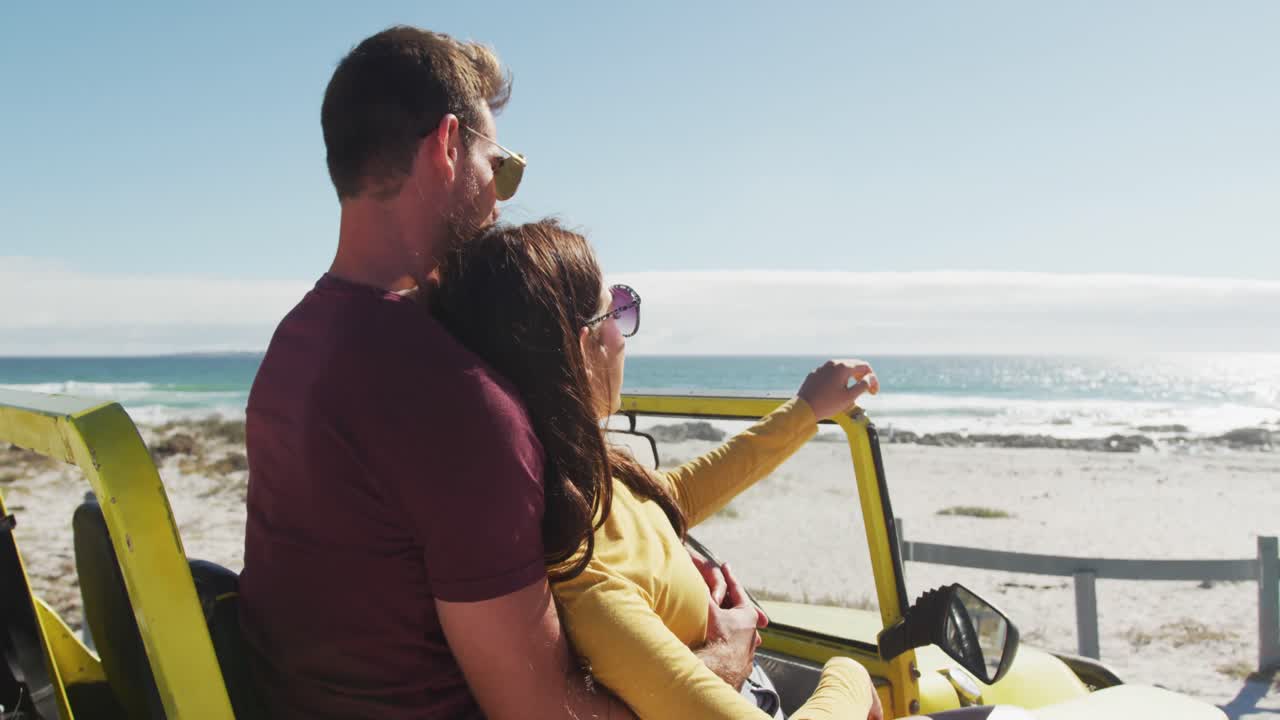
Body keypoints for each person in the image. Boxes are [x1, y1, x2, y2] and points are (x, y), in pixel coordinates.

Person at [240, 26, 757, 719]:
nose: (502, 200)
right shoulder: (453, 400)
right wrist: (722, 665)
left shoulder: (298, 343)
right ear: (448, 146)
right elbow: (541, 711)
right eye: (502, 167)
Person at [432, 219, 885, 720]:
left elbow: (673, 496)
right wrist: (850, 678)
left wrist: (805, 411)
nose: (625, 336)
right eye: (617, 311)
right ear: (582, 347)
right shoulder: (586, 571)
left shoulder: (583, 481)